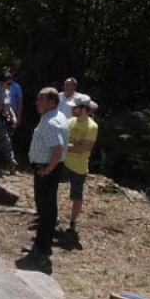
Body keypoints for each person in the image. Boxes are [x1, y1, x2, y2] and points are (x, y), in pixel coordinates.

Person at [16, 87, 69, 272]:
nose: (37, 102)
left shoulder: (52, 121)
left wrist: (48, 169)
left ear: (52, 102)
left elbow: (58, 148)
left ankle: (43, 246)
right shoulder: (58, 115)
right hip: (50, 169)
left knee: (46, 207)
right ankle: (41, 242)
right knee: (47, 206)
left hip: (47, 170)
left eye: (41, 99)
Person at [62, 95, 99, 233]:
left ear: (84, 108)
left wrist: (66, 146)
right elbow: (66, 142)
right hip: (63, 163)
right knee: (49, 185)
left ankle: (72, 223)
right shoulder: (69, 121)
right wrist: (73, 146)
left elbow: (84, 148)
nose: (72, 108)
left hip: (79, 167)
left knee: (77, 196)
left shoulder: (92, 126)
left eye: (75, 107)